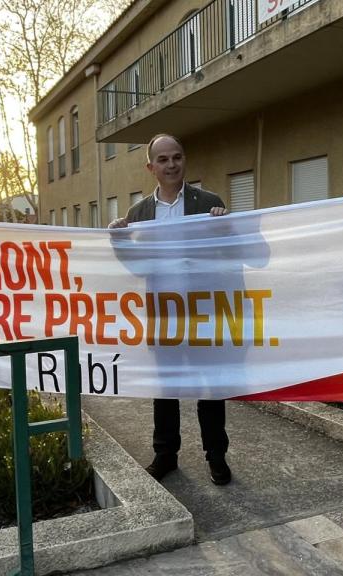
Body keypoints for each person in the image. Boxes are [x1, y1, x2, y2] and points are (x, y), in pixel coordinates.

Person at [109, 134, 233, 486]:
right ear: (151, 167)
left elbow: (227, 256)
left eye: (177, 157)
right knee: (166, 390)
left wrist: (224, 226)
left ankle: (217, 457)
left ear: (184, 160)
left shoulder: (209, 203)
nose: (171, 164)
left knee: (210, 390)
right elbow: (134, 267)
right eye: (162, 160)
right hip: (162, 314)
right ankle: (165, 456)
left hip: (203, 312)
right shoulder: (139, 213)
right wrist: (119, 241)